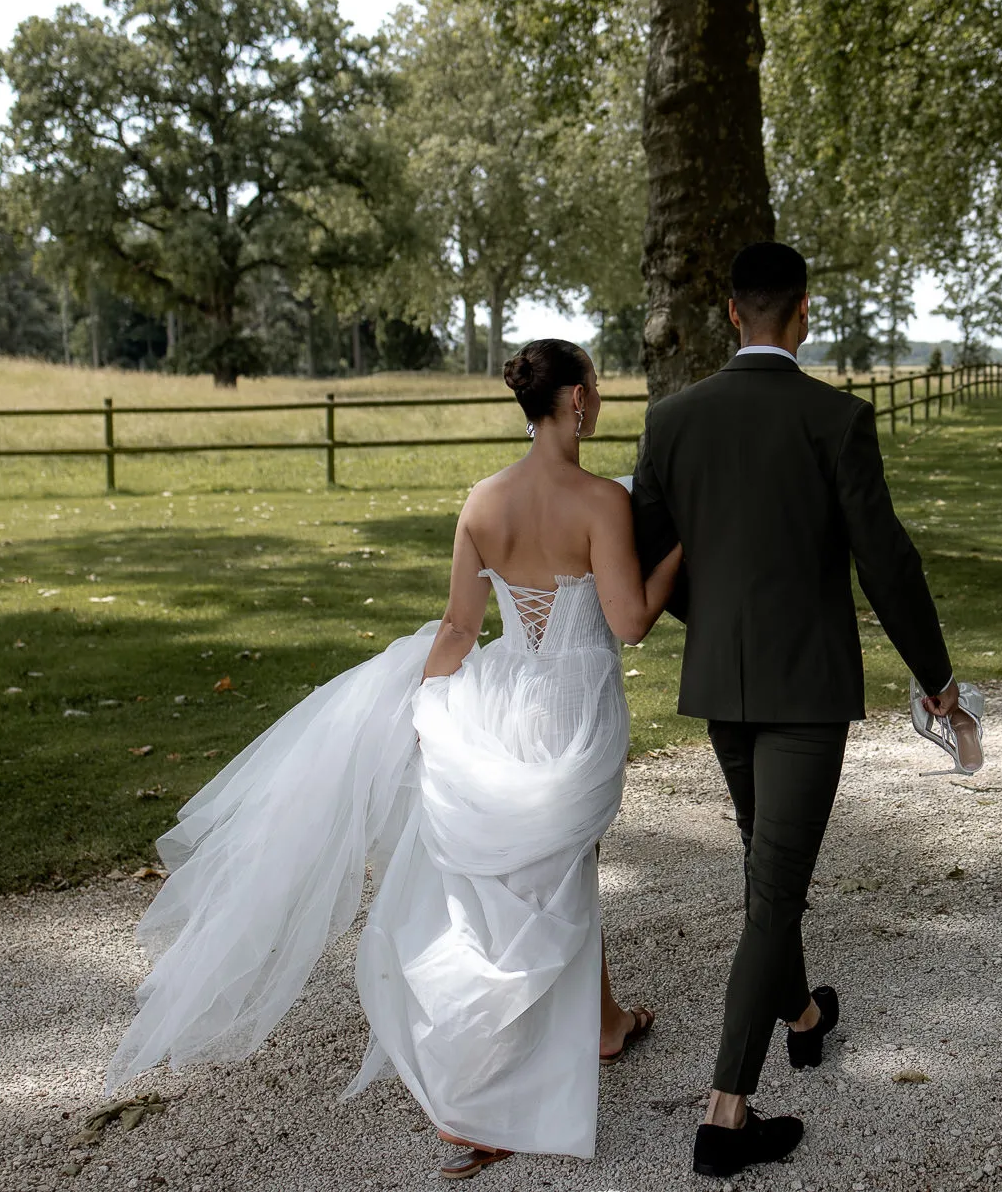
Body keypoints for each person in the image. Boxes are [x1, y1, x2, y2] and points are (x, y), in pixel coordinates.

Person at [106, 339, 682, 1181]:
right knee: (561, 872)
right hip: (575, 710)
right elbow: (629, 622)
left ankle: (602, 1022)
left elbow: (455, 628)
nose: (597, 400)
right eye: (592, 388)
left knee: (547, 873)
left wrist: (427, 704)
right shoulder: (600, 502)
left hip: (504, 695)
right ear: (574, 402)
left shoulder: (483, 502)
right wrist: (683, 552)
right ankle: (490, 1080)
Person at [630, 241, 966, 1179]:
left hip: (724, 684)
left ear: (732, 313)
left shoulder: (672, 420)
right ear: (804, 312)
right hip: (808, 687)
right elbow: (886, 561)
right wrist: (936, 674)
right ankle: (725, 1117)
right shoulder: (836, 418)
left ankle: (807, 1017)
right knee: (773, 890)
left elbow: (654, 550)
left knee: (763, 870)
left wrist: (720, 627)